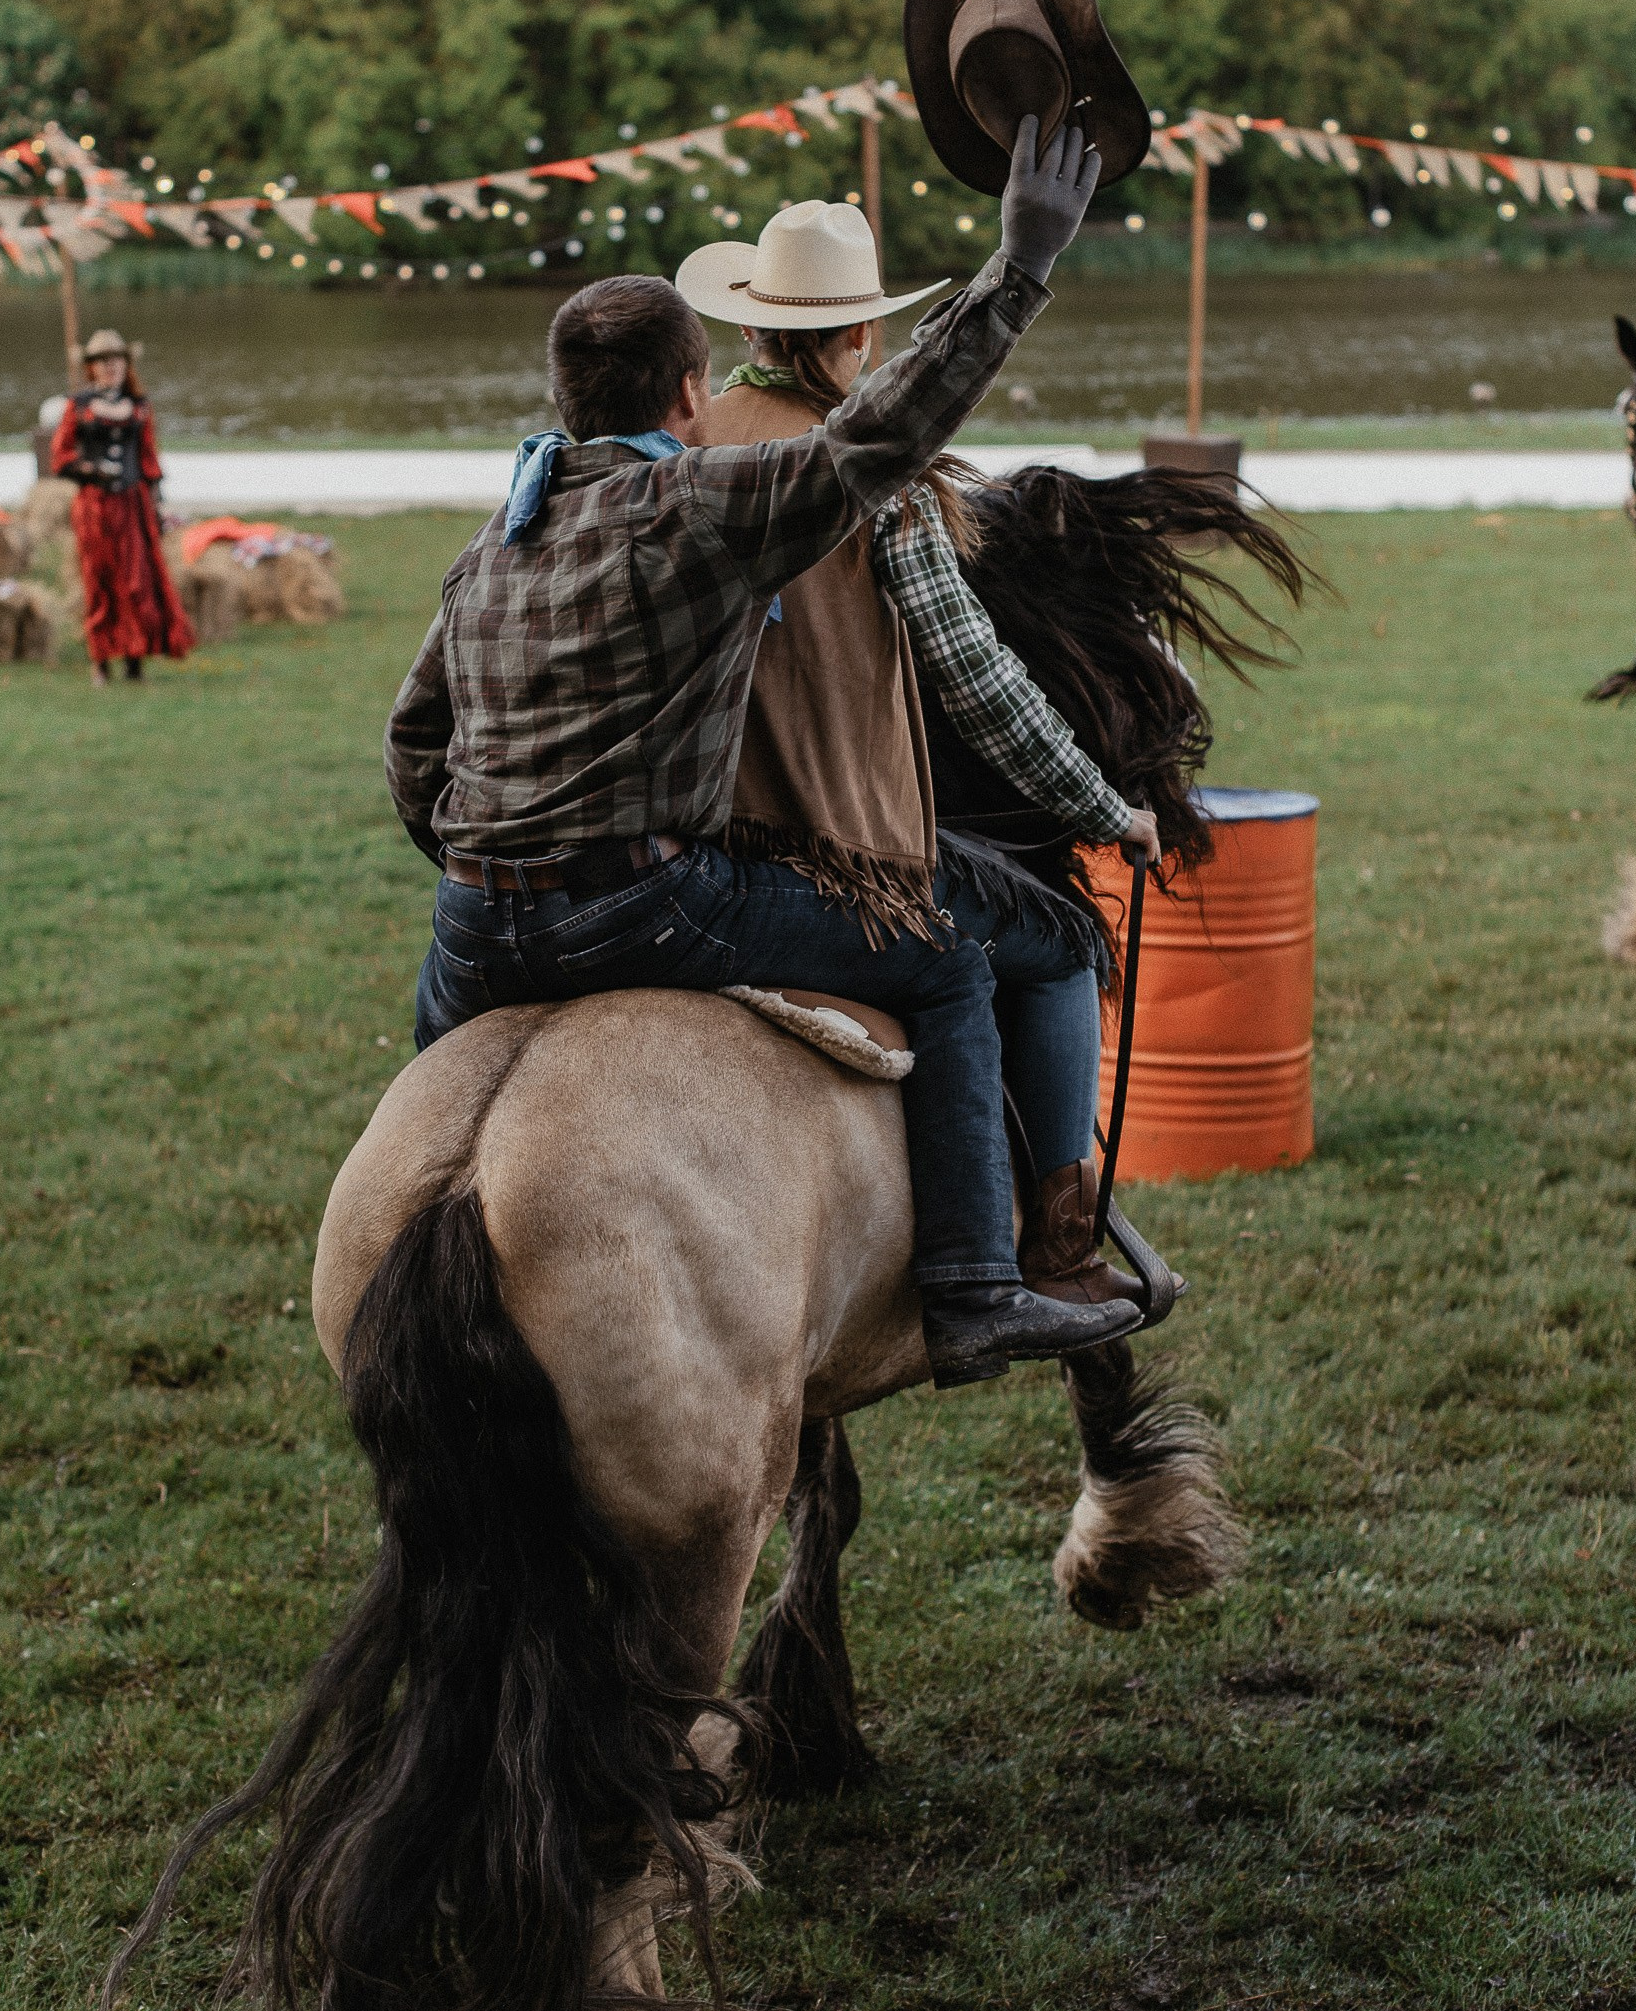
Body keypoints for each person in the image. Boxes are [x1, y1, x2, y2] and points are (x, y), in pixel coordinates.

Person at [385, 119, 1144, 1389]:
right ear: (685, 394)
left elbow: (415, 741)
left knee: (429, 1145)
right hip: (644, 900)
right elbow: (877, 441)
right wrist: (1016, 269)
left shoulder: (492, 544)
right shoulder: (691, 503)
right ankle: (970, 1289)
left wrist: (485, 854)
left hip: (471, 922)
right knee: (952, 966)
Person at [704, 307, 1157, 1308]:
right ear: (858, 331)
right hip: (833, 848)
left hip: (686, 854)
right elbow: (975, 679)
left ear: (750, 326)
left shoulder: (683, 438)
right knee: (1062, 946)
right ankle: (1060, 1248)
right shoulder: (872, 468)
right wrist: (1100, 805)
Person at [50, 327, 195, 687]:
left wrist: (157, 505)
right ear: (92, 367)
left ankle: (135, 659)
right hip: (95, 507)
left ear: (125, 364)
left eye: (116, 360)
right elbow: (60, 457)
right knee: (99, 581)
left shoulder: (139, 407)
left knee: (137, 584)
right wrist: (92, 469)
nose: (110, 367)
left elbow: (149, 459)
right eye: (102, 361)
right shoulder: (79, 406)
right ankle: (101, 662)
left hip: (133, 506)